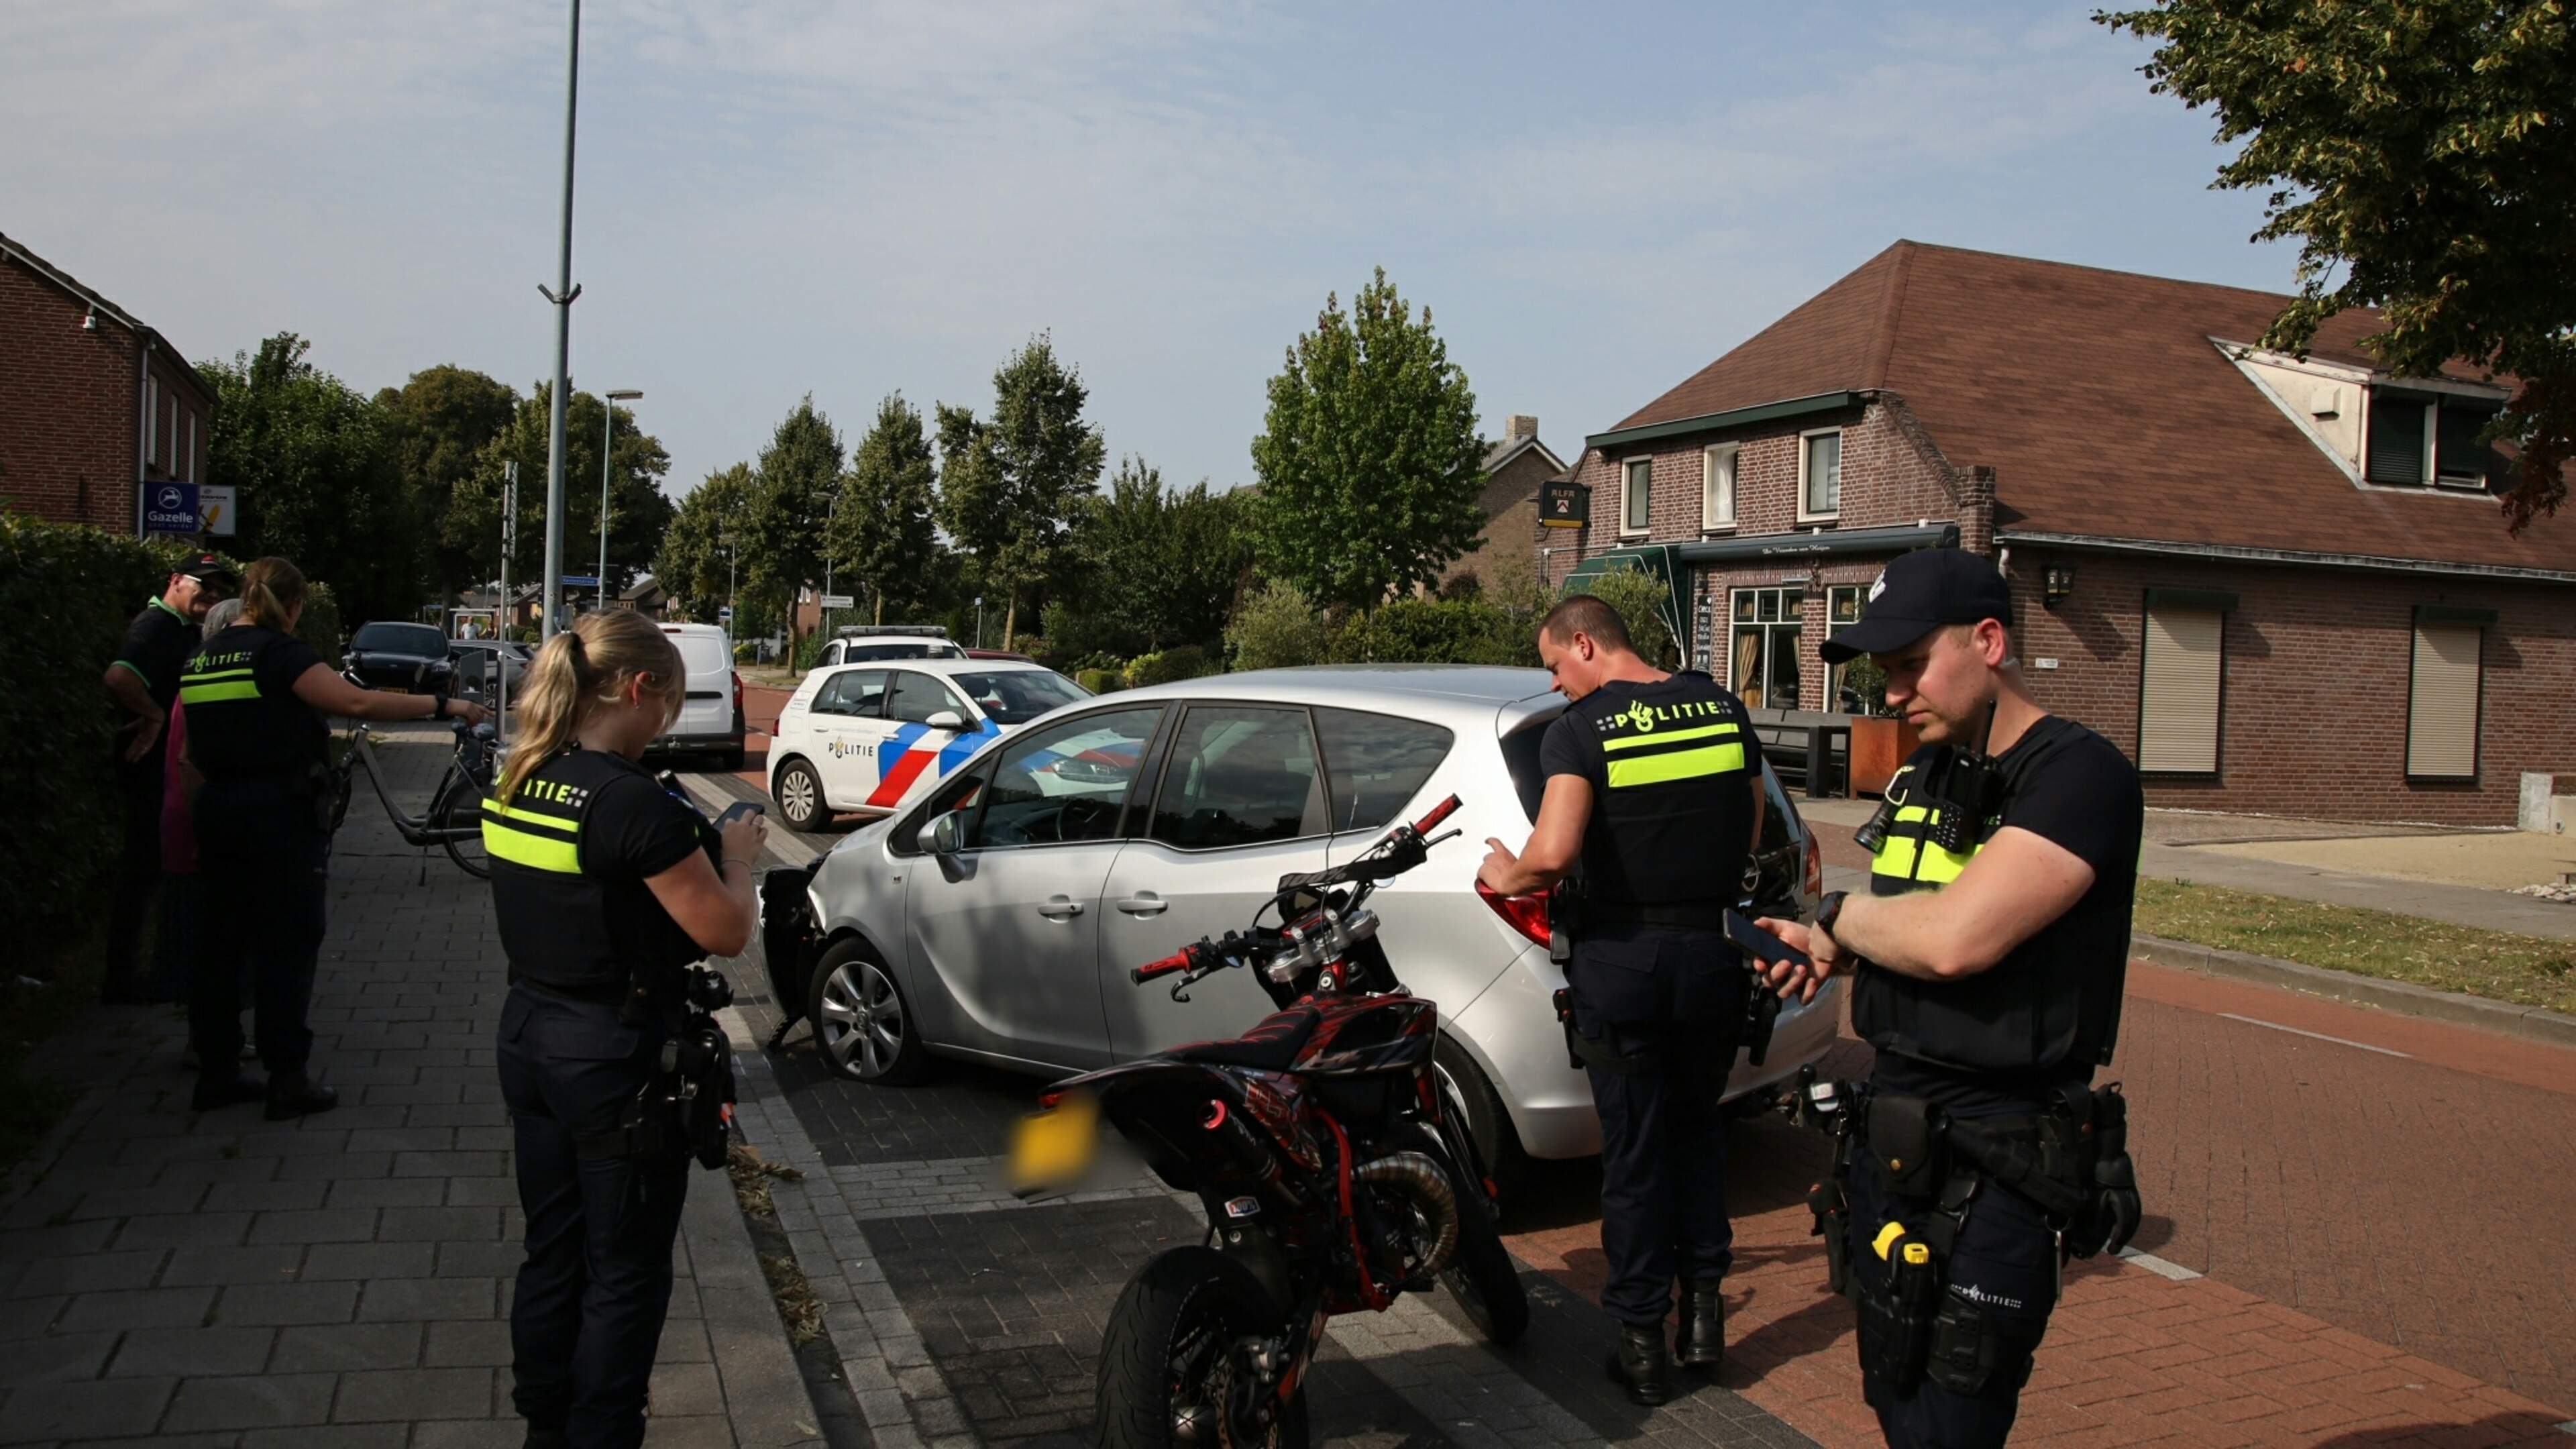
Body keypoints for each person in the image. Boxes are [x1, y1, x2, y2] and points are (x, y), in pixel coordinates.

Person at [1757, 548, 2143, 1449]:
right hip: (1895, 1148)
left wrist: (1841, 919)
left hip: (1997, 1162)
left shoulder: (2078, 777)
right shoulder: (1931, 771)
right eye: (1884, 672)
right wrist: (1828, 948)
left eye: (1908, 665)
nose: (1892, 693)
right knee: (1895, 1395)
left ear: (1989, 640)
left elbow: (1954, 939)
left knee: (1950, 1426)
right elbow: (1912, 925)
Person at [482, 608, 762, 1449]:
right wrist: (741, 855)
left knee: (553, 1250)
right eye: (667, 706)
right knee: (626, 1272)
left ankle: (545, 1421)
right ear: (639, 689)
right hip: (613, 1058)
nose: (664, 725)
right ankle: (601, 1432)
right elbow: (724, 931)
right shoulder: (631, 804)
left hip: (530, 1035)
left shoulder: (524, 772)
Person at [1477, 594, 1764, 1405]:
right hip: (1713, 957)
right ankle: (1703, 1323)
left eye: (1555, 667)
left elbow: (1555, 854)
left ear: (1585, 644)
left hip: (1625, 965)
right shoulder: (1717, 705)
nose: (1557, 685)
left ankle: (1642, 1349)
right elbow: (1747, 826)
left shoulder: (1582, 730)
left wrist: (1508, 872)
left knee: (1634, 1156)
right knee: (1698, 1136)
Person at [180, 558, 489, 1116]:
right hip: (277, 814)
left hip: (217, 811)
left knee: (219, 947)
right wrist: (447, 705)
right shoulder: (280, 654)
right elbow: (356, 701)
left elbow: (188, 758)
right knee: (286, 945)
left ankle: (216, 1071)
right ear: (294, 604)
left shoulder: (201, 659)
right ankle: (287, 1078)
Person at [101, 553, 234, 1002]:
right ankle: (121, 980)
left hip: (171, 767)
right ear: (176, 580)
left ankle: (152, 970)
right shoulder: (154, 626)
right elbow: (119, 676)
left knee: (158, 871)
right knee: (141, 871)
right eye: (204, 584)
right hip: (150, 767)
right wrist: (153, 714)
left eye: (220, 590)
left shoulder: (182, 629)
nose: (212, 595)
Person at [164, 596, 247, 1049]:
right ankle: (210, 1042)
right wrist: (204, 832)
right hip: (198, 829)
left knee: (212, 940)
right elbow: (188, 761)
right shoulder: (206, 688)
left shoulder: (200, 682)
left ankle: (216, 1036)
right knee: (207, 942)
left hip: (202, 826)